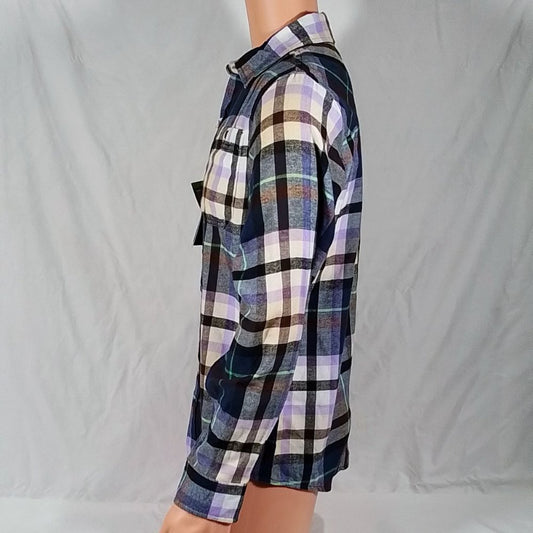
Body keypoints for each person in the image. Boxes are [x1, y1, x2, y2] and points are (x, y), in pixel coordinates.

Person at [159, 1, 362, 531]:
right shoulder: (281, 82)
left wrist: (203, 496)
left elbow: (273, 318)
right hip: (254, 447)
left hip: (258, 459)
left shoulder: (291, 94)